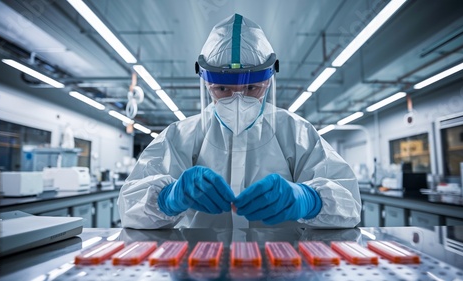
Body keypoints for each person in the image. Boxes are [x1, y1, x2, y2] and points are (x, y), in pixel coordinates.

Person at [118, 14, 361, 229]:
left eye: (251, 88)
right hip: (199, 266)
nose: (237, 100)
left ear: (268, 81)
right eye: (222, 88)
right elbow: (129, 209)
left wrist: (309, 200)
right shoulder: (179, 136)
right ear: (206, 84)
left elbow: (349, 205)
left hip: (281, 267)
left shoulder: (296, 132)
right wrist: (168, 197)